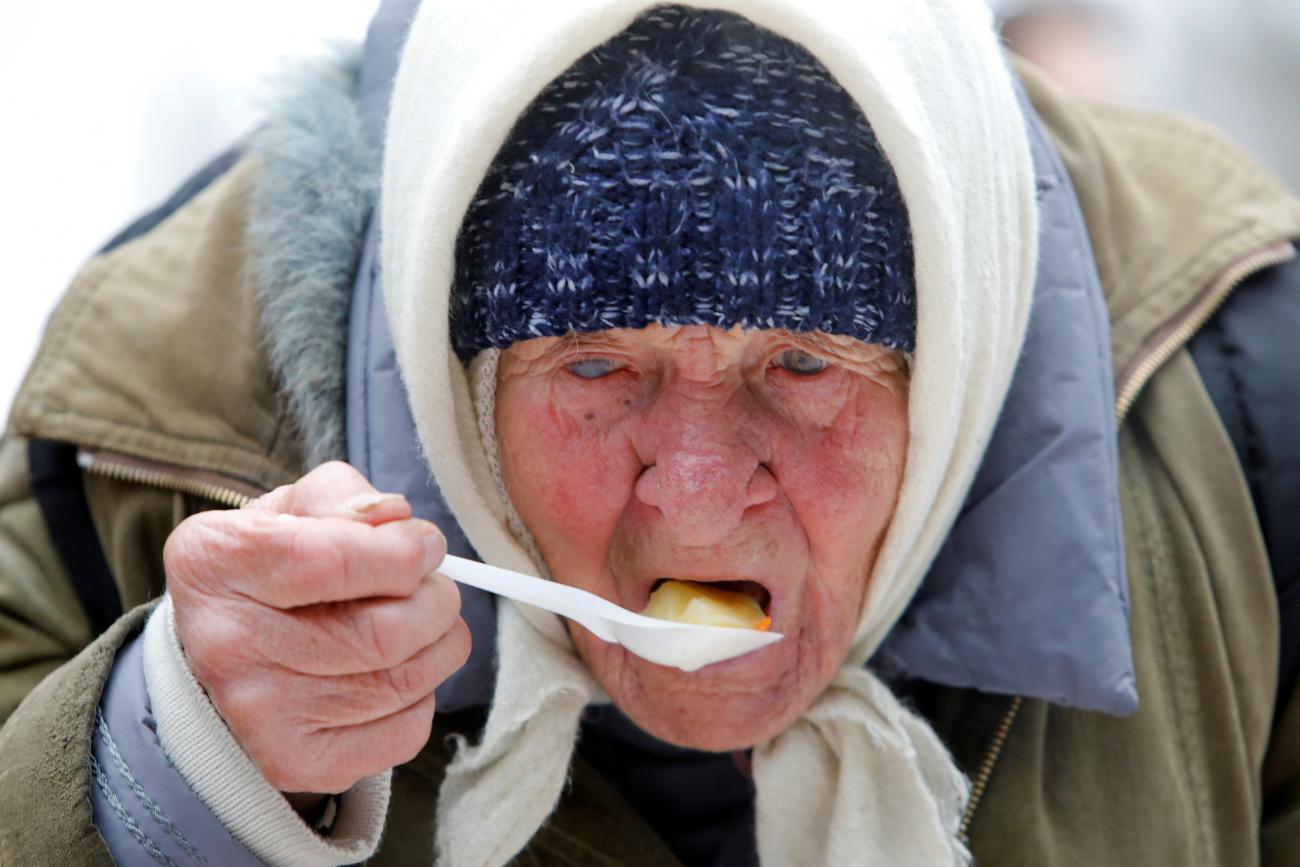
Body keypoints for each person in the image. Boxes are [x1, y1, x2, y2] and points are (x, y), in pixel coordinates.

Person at [1, 1, 1297, 865]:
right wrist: (168, 765)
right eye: (597, 364)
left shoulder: (1252, 415)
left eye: (802, 360)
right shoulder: (137, 452)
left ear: (956, 355)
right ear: (457, 386)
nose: (690, 501)